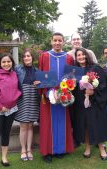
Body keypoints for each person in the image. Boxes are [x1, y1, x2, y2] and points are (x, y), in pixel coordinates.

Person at [38, 32, 74, 163]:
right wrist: (46, 93)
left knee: (62, 122)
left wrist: (66, 91)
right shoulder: (44, 56)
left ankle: (60, 149)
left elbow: (71, 77)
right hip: (48, 97)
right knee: (48, 124)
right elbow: (41, 75)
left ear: (63, 42)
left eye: (60, 40)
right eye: (55, 40)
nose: (57, 43)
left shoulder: (69, 58)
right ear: (51, 41)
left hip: (63, 96)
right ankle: (47, 151)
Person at [72, 48, 107, 160]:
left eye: (83, 55)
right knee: (85, 126)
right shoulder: (75, 71)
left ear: (87, 55)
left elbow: (102, 85)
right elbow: (72, 87)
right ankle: (87, 147)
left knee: (97, 124)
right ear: (76, 57)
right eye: (78, 55)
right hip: (80, 103)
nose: (81, 57)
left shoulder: (95, 68)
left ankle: (101, 148)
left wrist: (93, 91)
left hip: (94, 103)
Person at [14, 50, 40, 161]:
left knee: (30, 125)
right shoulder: (18, 69)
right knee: (24, 125)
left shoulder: (37, 70)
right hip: (23, 97)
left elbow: (42, 83)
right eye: (24, 56)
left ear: (32, 57)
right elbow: (5, 70)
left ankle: (29, 149)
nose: (26, 58)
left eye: (28, 56)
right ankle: (23, 150)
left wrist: (39, 83)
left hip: (33, 97)